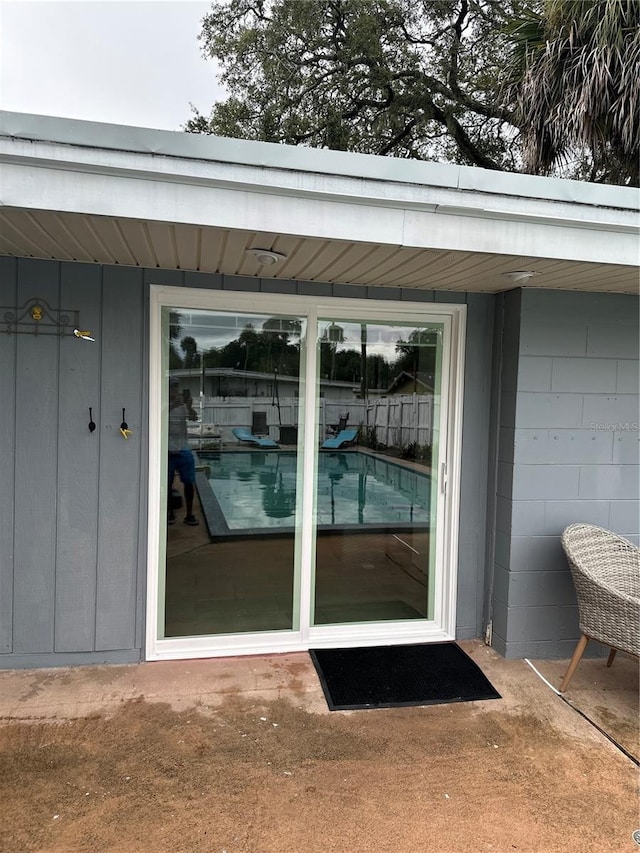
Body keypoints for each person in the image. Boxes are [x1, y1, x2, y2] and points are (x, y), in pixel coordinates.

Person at [167, 379, 199, 526]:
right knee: (166, 483)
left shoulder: (182, 405)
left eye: (176, 388)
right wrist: (173, 404)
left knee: (189, 481)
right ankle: (169, 513)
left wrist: (189, 407)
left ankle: (190, 514)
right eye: (172, 389)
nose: (174, 392)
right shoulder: (162, 404)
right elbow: (158, 416)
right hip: (167, 449)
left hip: (183, 447)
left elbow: (193, 417)